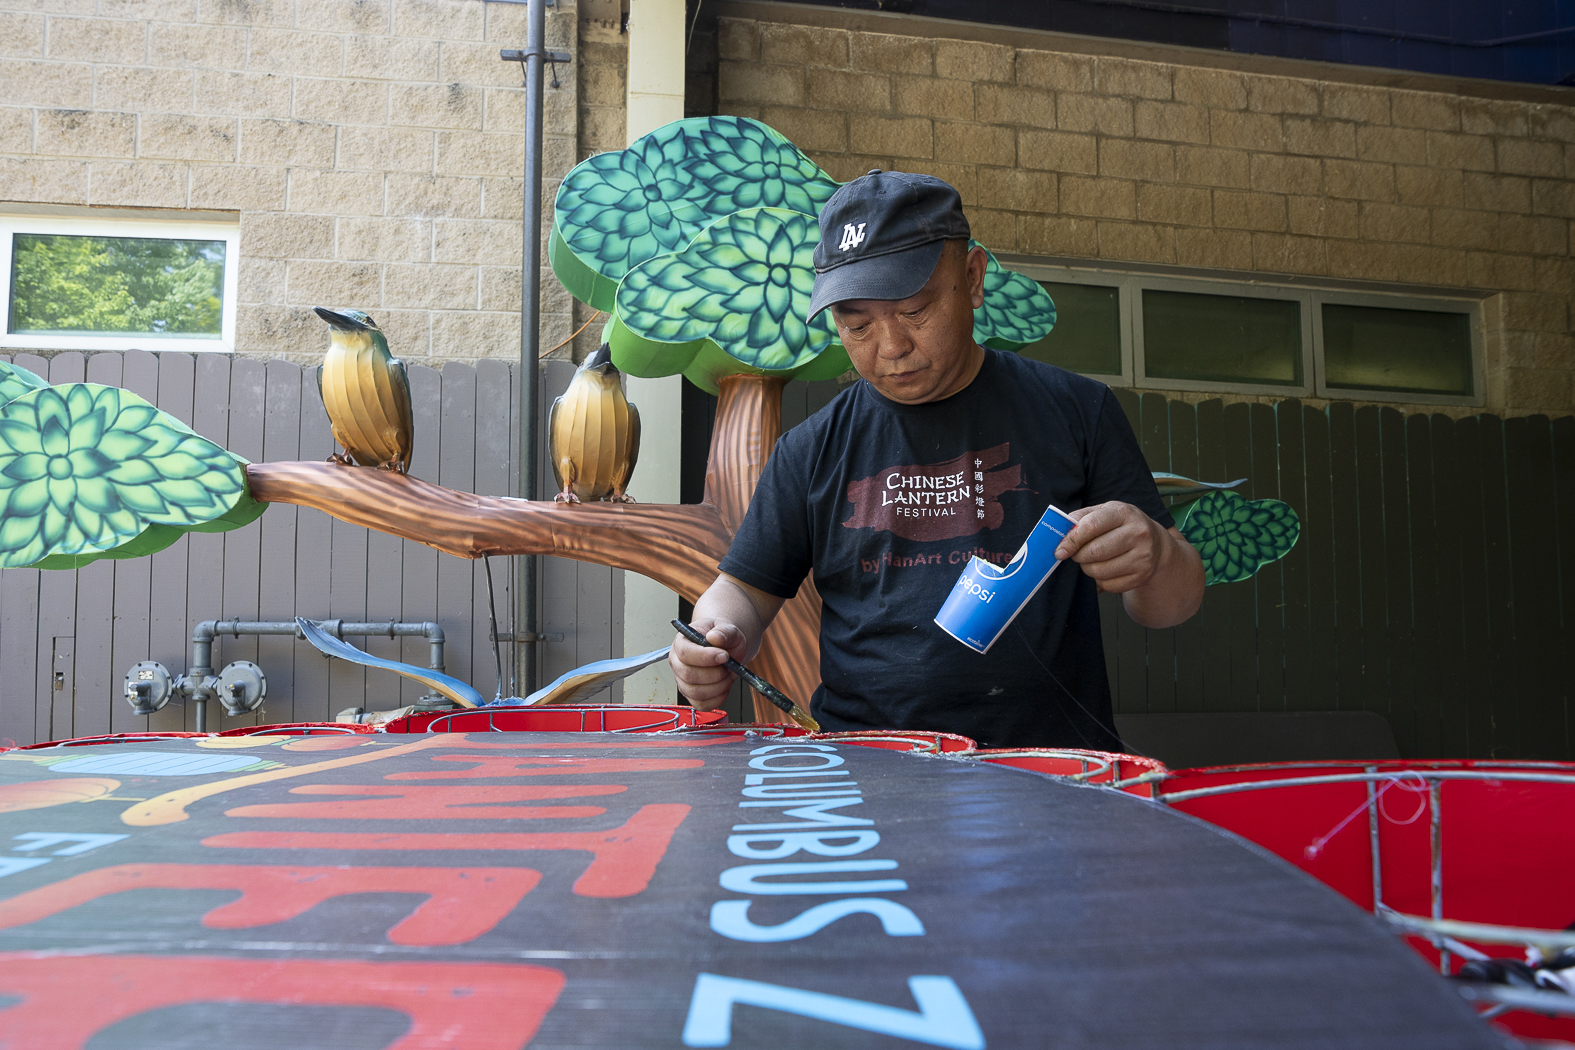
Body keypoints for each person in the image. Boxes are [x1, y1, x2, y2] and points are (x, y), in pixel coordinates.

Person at [669, 170, 1204, 749]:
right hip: (869, 766)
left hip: (1049, 767)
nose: (891, 346)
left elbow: (1171, 608)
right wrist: (710, 635)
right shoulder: (810, 448)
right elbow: (744, 590)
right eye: (856, 324)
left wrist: (1155, 556)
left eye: (916, 310)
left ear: (972, 279)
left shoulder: (1078, 411)